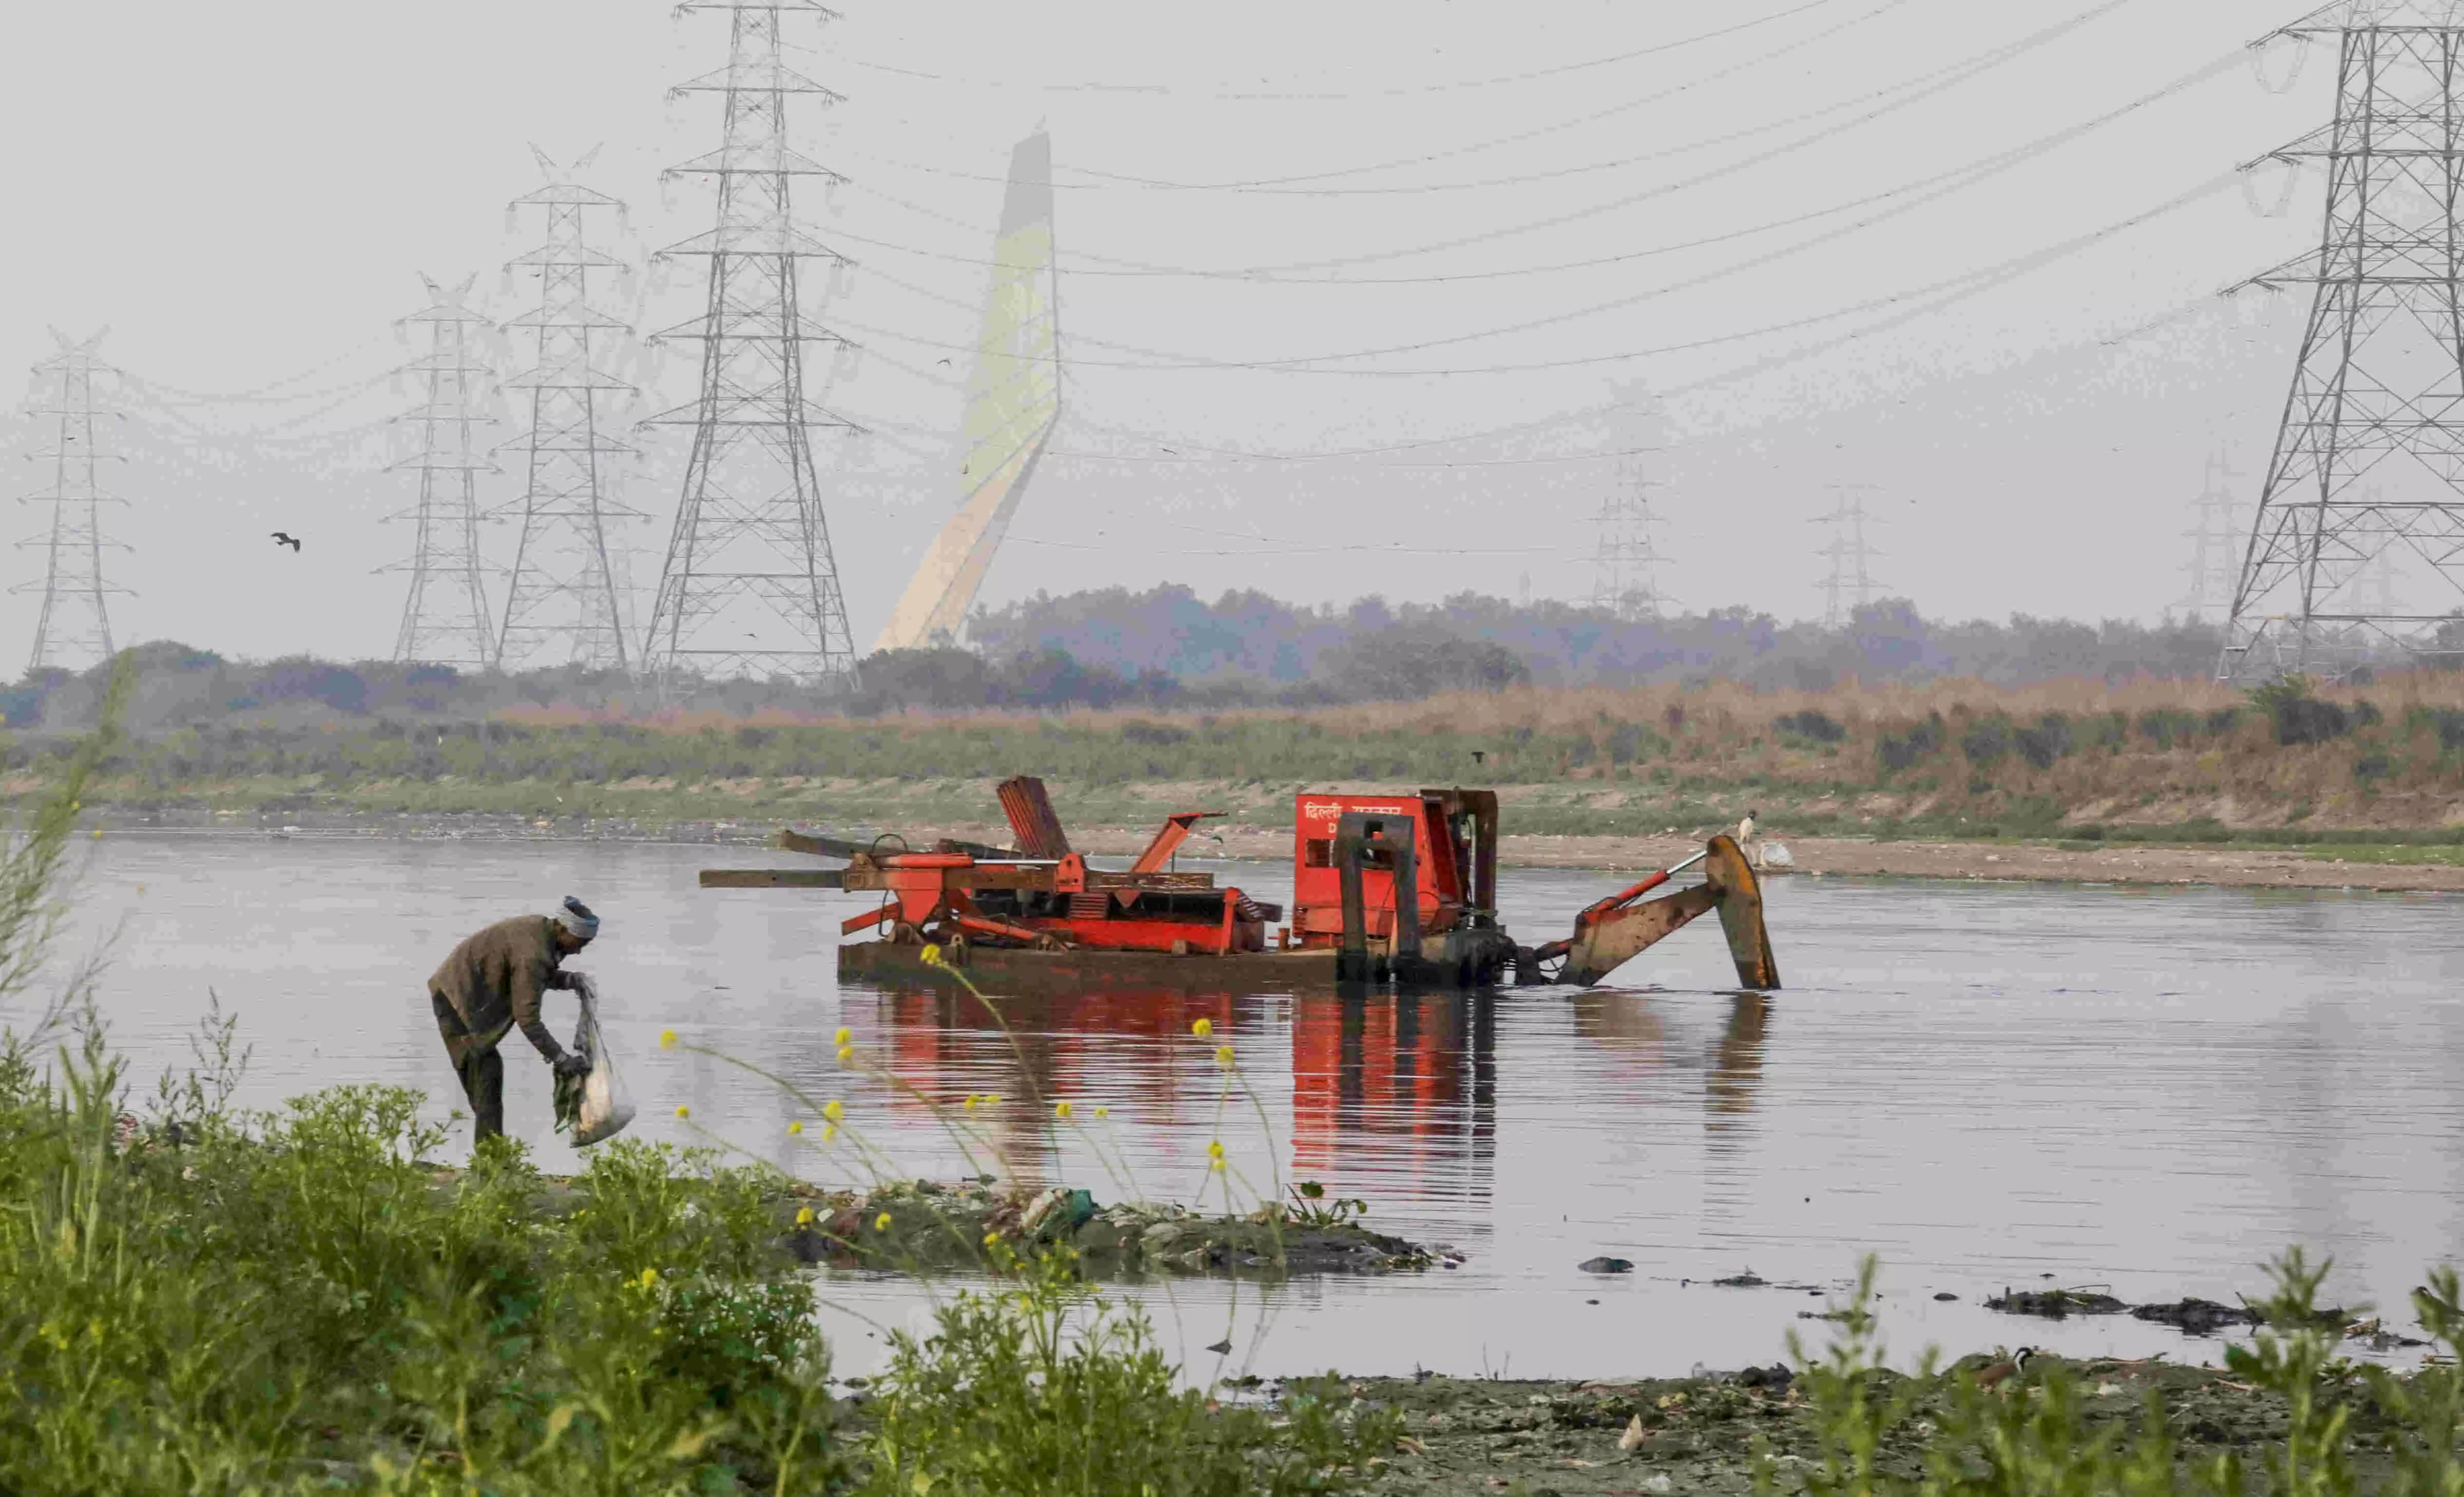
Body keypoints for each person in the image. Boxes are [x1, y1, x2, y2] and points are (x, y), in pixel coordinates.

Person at [430, 896, 599, 1143]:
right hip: (455, 1000)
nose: (579, 949)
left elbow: (530, 976)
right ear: (563, 928)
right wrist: (561, 1059)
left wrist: (569, 980)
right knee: (486, 1077)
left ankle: (490, 1155)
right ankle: (490, 1162)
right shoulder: (534, 953)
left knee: (487, 1078)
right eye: (580, 942)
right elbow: (527, 1018)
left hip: (465, 997)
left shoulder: (542, 931)